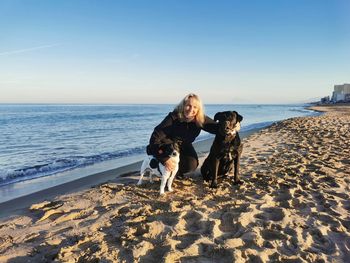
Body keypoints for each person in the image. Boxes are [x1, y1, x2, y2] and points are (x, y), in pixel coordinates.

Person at [147, 93, 218, 178]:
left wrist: (234, 126)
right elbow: (154, 138)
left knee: (192, 165)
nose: (191, 109)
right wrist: (164, 159)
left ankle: (176, 172)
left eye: (195, 107)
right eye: (188, 105)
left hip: (184, 145)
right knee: (166, 163)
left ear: (198, 109)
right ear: (183, 106)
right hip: (166, 145)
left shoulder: (200, 119)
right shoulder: (173, 117)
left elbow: (217, 128)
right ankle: (159, 165)